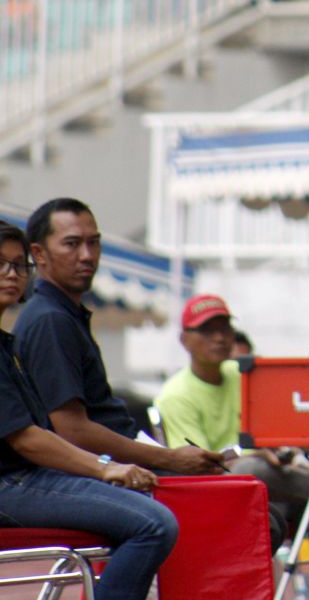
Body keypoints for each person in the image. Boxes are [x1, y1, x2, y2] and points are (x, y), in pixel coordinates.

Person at [154, 294, 309, 568]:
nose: (219, 338)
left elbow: (289, 428)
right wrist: (261, 453)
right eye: (207, 330)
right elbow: (199, 468)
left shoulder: (243, 374)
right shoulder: (175, 395)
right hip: (218, 489)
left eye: (225, 328)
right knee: (252, 466)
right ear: (184, 340)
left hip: (265, 481)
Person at [0, 221, 179, 600]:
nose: (11, 275)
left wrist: (104, 469)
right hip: (11, 485)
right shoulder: (48, 319)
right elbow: (28, 439)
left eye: (18, 265)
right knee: (154, 523)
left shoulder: (8, 343)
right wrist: (104, 467)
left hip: (26, 478)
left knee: (144, 507)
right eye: (1, 264)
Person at [13, 198, 225, 476]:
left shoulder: (62, 314)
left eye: (94, 243)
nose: (87, 255)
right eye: (72, 244)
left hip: (116, 464)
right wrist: (169, 458)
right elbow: (72, 430)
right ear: (39, 254)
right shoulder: (50, 320)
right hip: (91, 473)